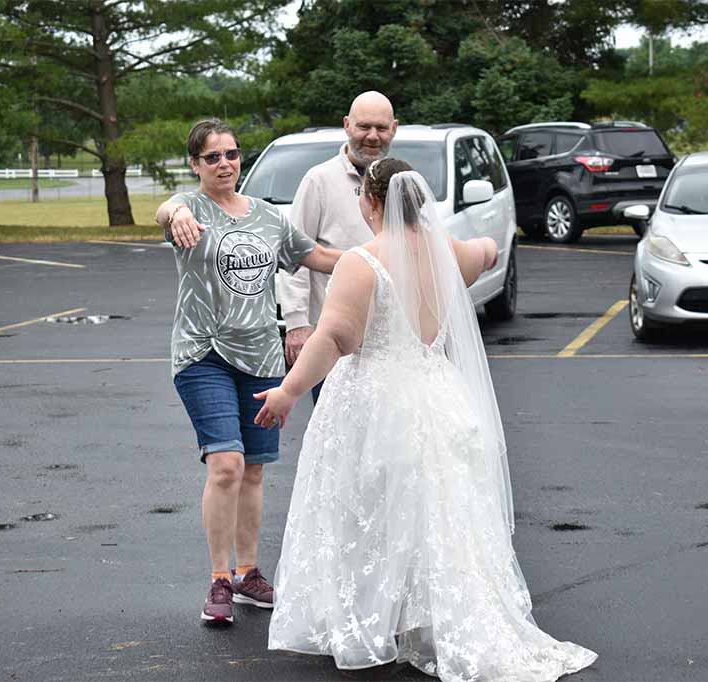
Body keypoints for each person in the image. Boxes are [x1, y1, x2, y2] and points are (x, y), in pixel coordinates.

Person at [256, 158, 598, 681]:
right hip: (438, 394)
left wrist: (287, 391)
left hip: (376, 399)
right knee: (436, 509)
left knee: (369, 509)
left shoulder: (361, 262)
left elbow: (334, 339)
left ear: (371, 202)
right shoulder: (449, 254)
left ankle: (376, 618)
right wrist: (483, 248)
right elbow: (486, 254)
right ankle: (425, 615)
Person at [156, 118, 343, 627]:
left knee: (255, 470)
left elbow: (316, 256)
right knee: (227, 466)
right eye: (212, 157)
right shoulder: (188, 211)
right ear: (195, 164)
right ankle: (219, 580)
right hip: (204, 354)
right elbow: (165, 208)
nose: (225, 164)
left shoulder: (267, 216)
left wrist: (371, 262)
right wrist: (173, 213)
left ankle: (247, 573)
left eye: (232, 155)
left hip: (261, 357)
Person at [277, 91, 398, 402]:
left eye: (381, 128)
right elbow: (294, 255)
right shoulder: (319, 180)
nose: (373, 136)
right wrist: (297, 324)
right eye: (364, 126)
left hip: (392, 345)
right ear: (347, 125)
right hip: (332, 341)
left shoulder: (404, 181)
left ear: (394, 129)